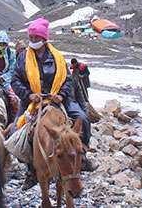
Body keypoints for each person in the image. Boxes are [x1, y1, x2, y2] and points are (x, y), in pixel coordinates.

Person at [11, 18, 92, 189]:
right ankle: (31, 169)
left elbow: (67, 80)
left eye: (36, 37)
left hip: (58, 99)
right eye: (31, 37)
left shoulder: (57, 57)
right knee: (16, 131)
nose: (33, 40)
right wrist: (29, 95)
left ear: (44, 38)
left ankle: (81, 155)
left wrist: (61, 95)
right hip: (33, 101)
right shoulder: (23, 58)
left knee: (83, 119)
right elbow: (15, 80)